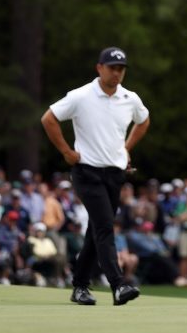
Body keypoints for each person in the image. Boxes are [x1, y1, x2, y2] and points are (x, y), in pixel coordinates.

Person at [41, 46, 150, 306]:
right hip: (86, 171)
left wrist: (126, 148)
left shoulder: (129, 98)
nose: (117, 73)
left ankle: (79, 285)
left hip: (114, 173)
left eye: (121, 69)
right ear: (99, 68)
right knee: (104, 227)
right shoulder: (81, 96)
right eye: (112, 68)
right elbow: (49, 118)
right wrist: (66, 152)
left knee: (96, 230)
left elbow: (143, 120)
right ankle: (118, 284)